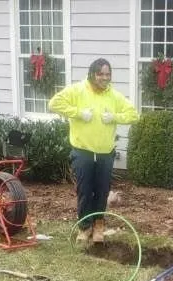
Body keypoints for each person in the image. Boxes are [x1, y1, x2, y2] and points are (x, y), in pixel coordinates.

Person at [48, 58, 139, 243]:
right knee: (84, 190)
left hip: (105, 153)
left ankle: (99, 226)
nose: (104, 78)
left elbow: (133, 115)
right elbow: (53, 104)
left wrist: (114, 117)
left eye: (107, 74)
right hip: (83, 151)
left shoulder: (114, 95)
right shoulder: (77, 90)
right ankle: (84, 227)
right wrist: (79, 113)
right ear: (92, 74)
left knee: (102, 191)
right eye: (100, 74)